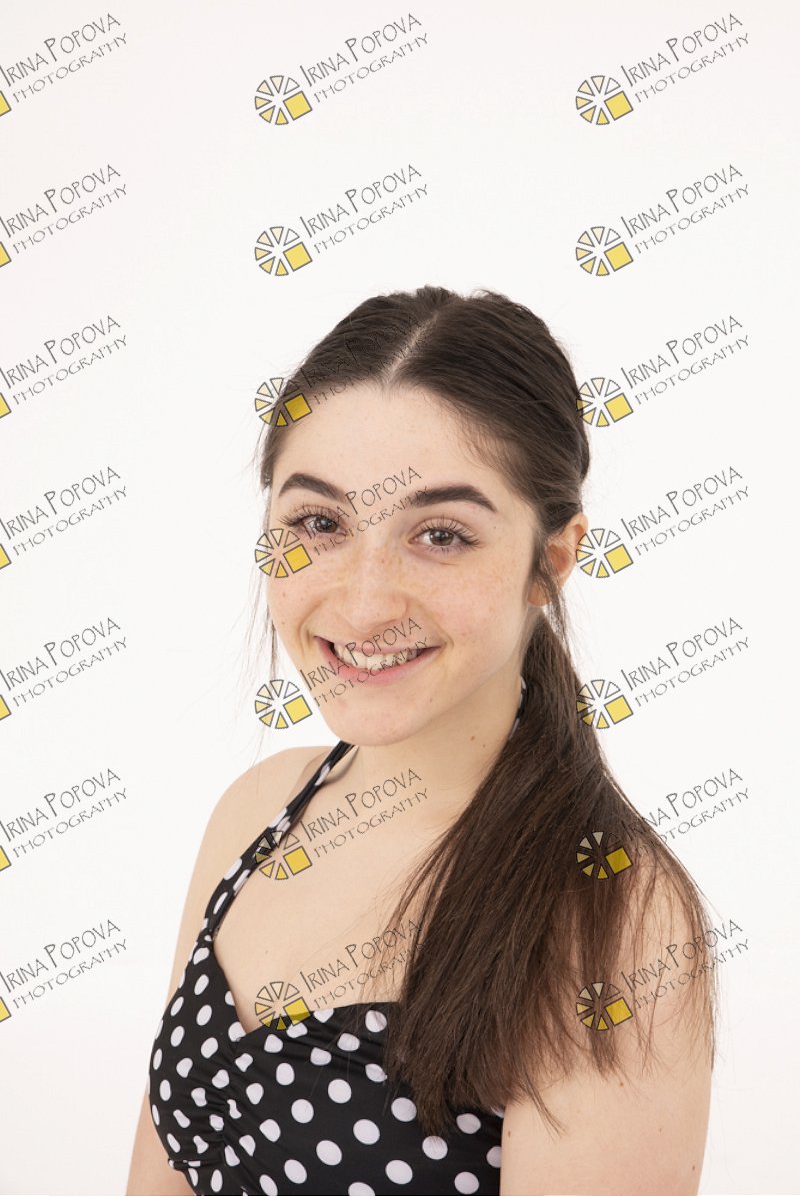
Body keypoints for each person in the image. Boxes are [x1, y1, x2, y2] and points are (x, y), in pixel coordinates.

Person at [126, 285, 717, 1196]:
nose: (365, 604)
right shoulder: (257, 812)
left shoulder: (609, 918)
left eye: (440, 535)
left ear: (551, 561)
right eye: (319, 523)